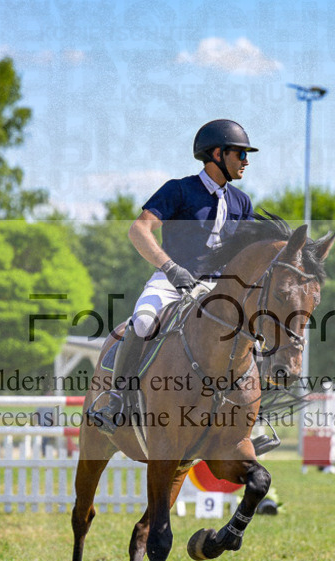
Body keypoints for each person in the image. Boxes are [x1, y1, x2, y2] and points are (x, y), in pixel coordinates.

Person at [88, 119, 259, 434]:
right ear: (218, 154)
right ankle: (117, 402)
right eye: (240, 154)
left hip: (217, 289)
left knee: (254, 333)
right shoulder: (179, 190)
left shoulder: (241, 202)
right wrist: (170, 267)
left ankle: (250, 419)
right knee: (142, 321)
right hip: (171, 280)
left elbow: (245, 254)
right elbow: (138, 229)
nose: (246, 161)